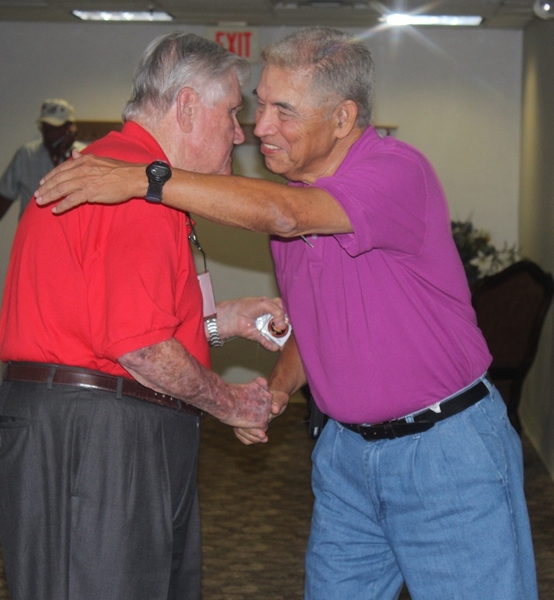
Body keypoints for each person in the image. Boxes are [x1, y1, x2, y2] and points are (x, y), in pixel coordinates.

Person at [35, 27, 538, 600]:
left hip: (445, 452)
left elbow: (284, 215)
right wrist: (275, 390)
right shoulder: (293, 200)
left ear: (344, 118)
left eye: (283, 110)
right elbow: (314, 322)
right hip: (347, 456)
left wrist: (144, 178)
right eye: (259, 105)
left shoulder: (396, 173)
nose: (259, 127)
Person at [0, 32, 288, 600]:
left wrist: (219, 322)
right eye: (232, 113)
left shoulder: (122, 171)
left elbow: (112, 331)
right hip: (99, 438)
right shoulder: (132, 186)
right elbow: (142, 349)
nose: (240, 132)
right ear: (185, 106)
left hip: (93, 421)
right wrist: (231, 403)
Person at [0, 98, 85, 220]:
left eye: (54, 128)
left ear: (69, 129)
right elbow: (4, 197)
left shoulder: (83, 154)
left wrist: (66, 155)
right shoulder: (27, 154)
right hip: (32, 231)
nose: (48, 134)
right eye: (45, 128)